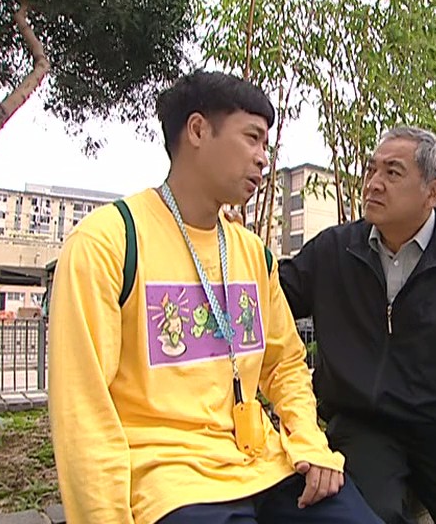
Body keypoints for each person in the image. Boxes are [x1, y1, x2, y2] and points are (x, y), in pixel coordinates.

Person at [48, 70, 382, 524]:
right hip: (171, 481)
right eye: (252, 138)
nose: (263, 158)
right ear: (198, 130)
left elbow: (284, 363)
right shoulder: (108, 243)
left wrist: (309, 441)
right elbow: (82, 407)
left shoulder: (252, 254)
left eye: (266, 145)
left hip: (267, 466)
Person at [278, 126, 436, 524]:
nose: (373, 184)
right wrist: (232, 247)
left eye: (392, 173)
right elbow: (269, 296)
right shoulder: (334, 251)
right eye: (371, 170)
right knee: (371, 515)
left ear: (433, 191)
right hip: (364, 425)